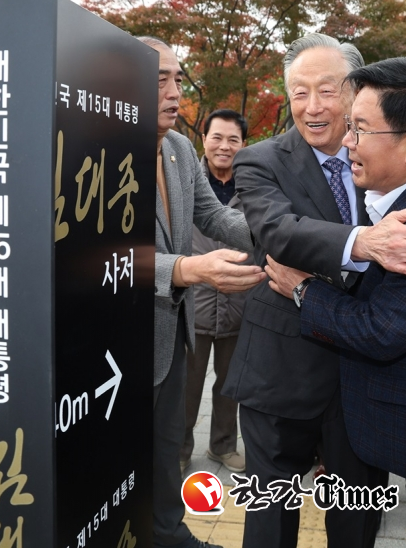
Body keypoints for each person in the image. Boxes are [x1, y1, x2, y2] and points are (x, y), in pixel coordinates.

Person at [223, 33, 406, 548]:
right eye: (298, 92)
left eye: (327, 91)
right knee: (270, 518)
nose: (312, 107)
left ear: (354, 94)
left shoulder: (384, 149)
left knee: (356, 521)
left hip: (367, 386)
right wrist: (365, 241)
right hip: (283, 373)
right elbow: (278, 232)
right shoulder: (261, 160)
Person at [140, 36, 265, 548]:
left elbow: (210, 216)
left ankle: (168, 532)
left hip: (172, 334)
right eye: (159, 80)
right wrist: (188, 269)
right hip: (116, 345)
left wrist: (276, 236)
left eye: (176, 77)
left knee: (169, 446)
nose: (174, 92)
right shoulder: (92, 145)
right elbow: (92, 254)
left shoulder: (176, 148)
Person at [180, 109, 250, 474]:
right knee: (186, 387)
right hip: (193, 301)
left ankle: (222, 446)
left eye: (233, 139)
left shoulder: (253, 185)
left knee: (230, 384)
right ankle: (179, 451)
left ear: (243, 144)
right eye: (217, 137)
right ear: (203, 139)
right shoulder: (184, 181)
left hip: (239, 302)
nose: (224, 146)